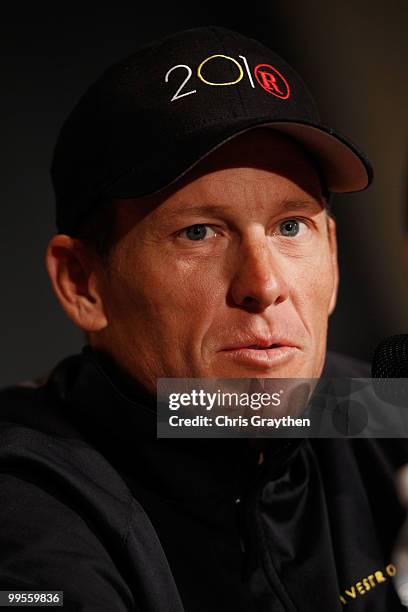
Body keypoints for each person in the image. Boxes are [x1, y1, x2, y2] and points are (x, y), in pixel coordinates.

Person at [0, 25, 407, 611]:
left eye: (291, 226)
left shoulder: (377, 410)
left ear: (334, 259)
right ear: (82, 283)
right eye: (199, 233)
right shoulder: (28, 497)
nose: (264, 285)